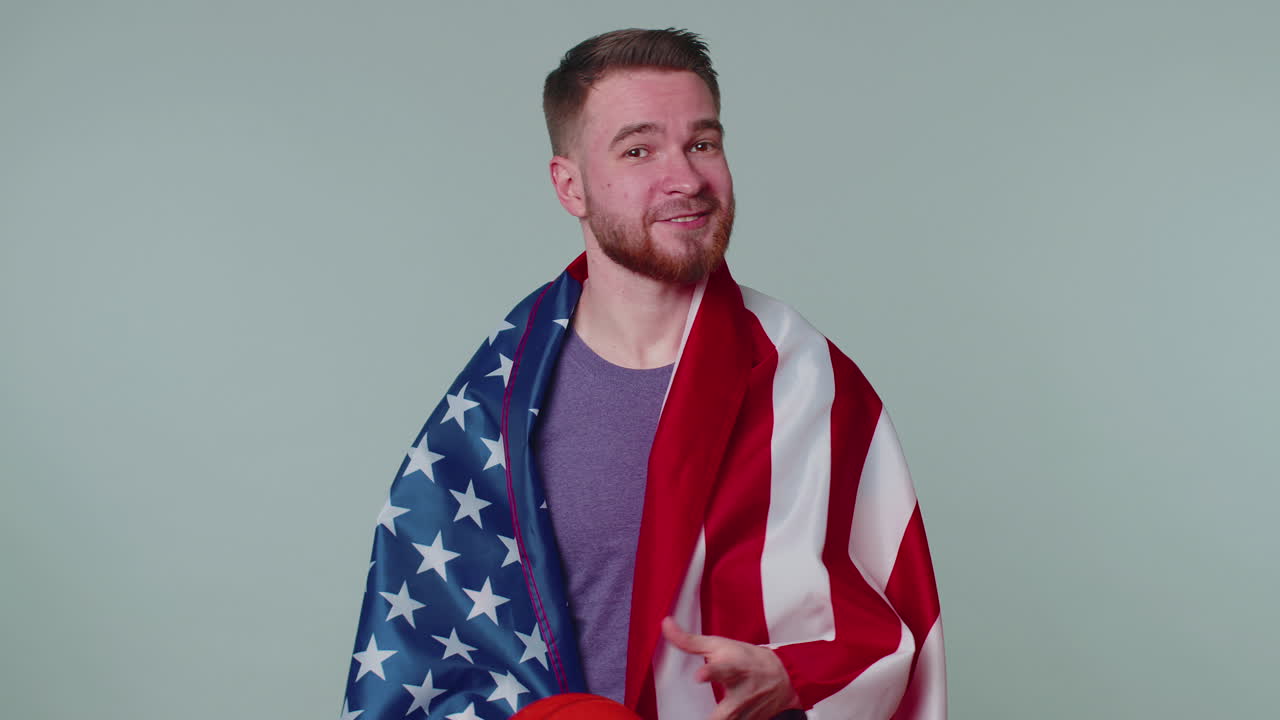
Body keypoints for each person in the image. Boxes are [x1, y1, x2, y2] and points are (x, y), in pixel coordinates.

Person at [341, 28, 946, 720]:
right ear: (570, 185)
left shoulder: (809, 381)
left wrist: (794, 678)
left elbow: (895, 629)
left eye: (703, 143)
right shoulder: (492, 405)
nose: (686, 178)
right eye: (638, 149)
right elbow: (430, 655)